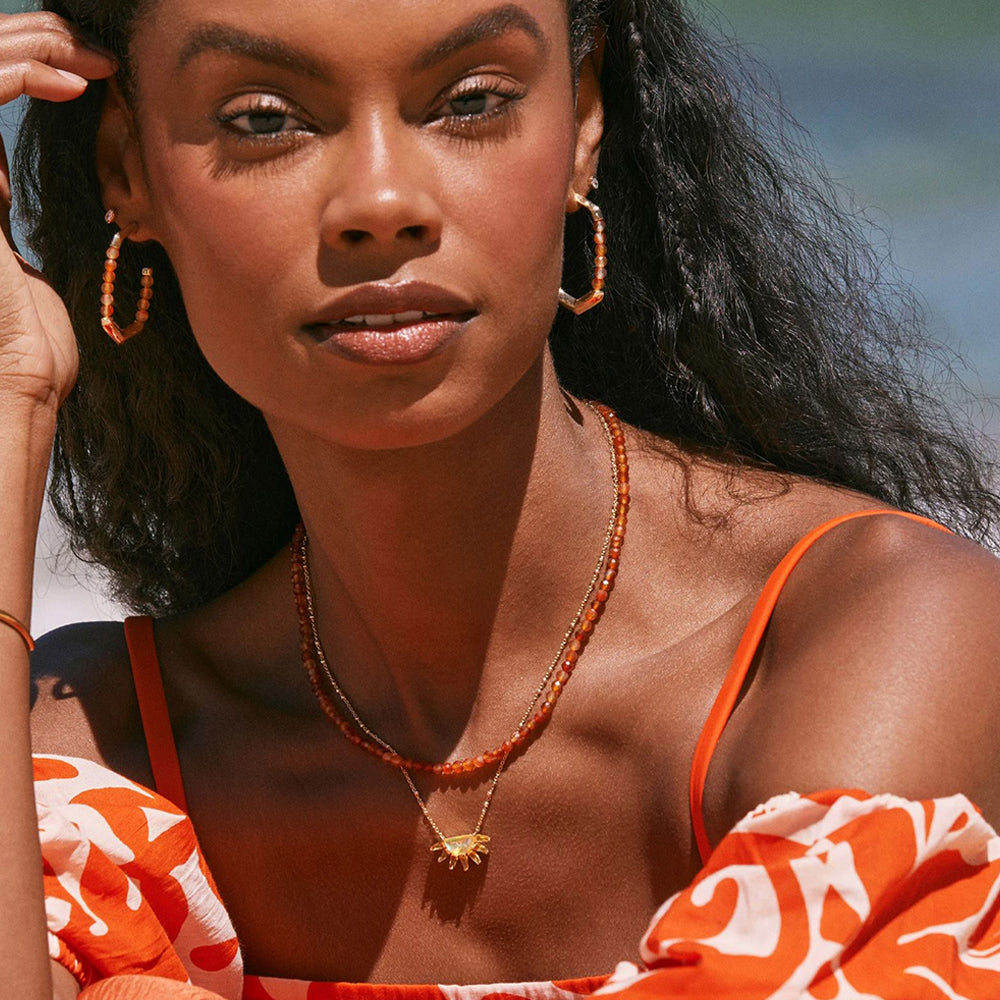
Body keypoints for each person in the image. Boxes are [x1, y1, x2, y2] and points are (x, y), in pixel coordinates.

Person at [2, 1, 999, 998]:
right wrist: (12, 400)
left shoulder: (865, 640)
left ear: (584, 122)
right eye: (266, 119)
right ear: (127, 172)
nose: (383, 200)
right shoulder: (104, 757)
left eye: (470, 102)